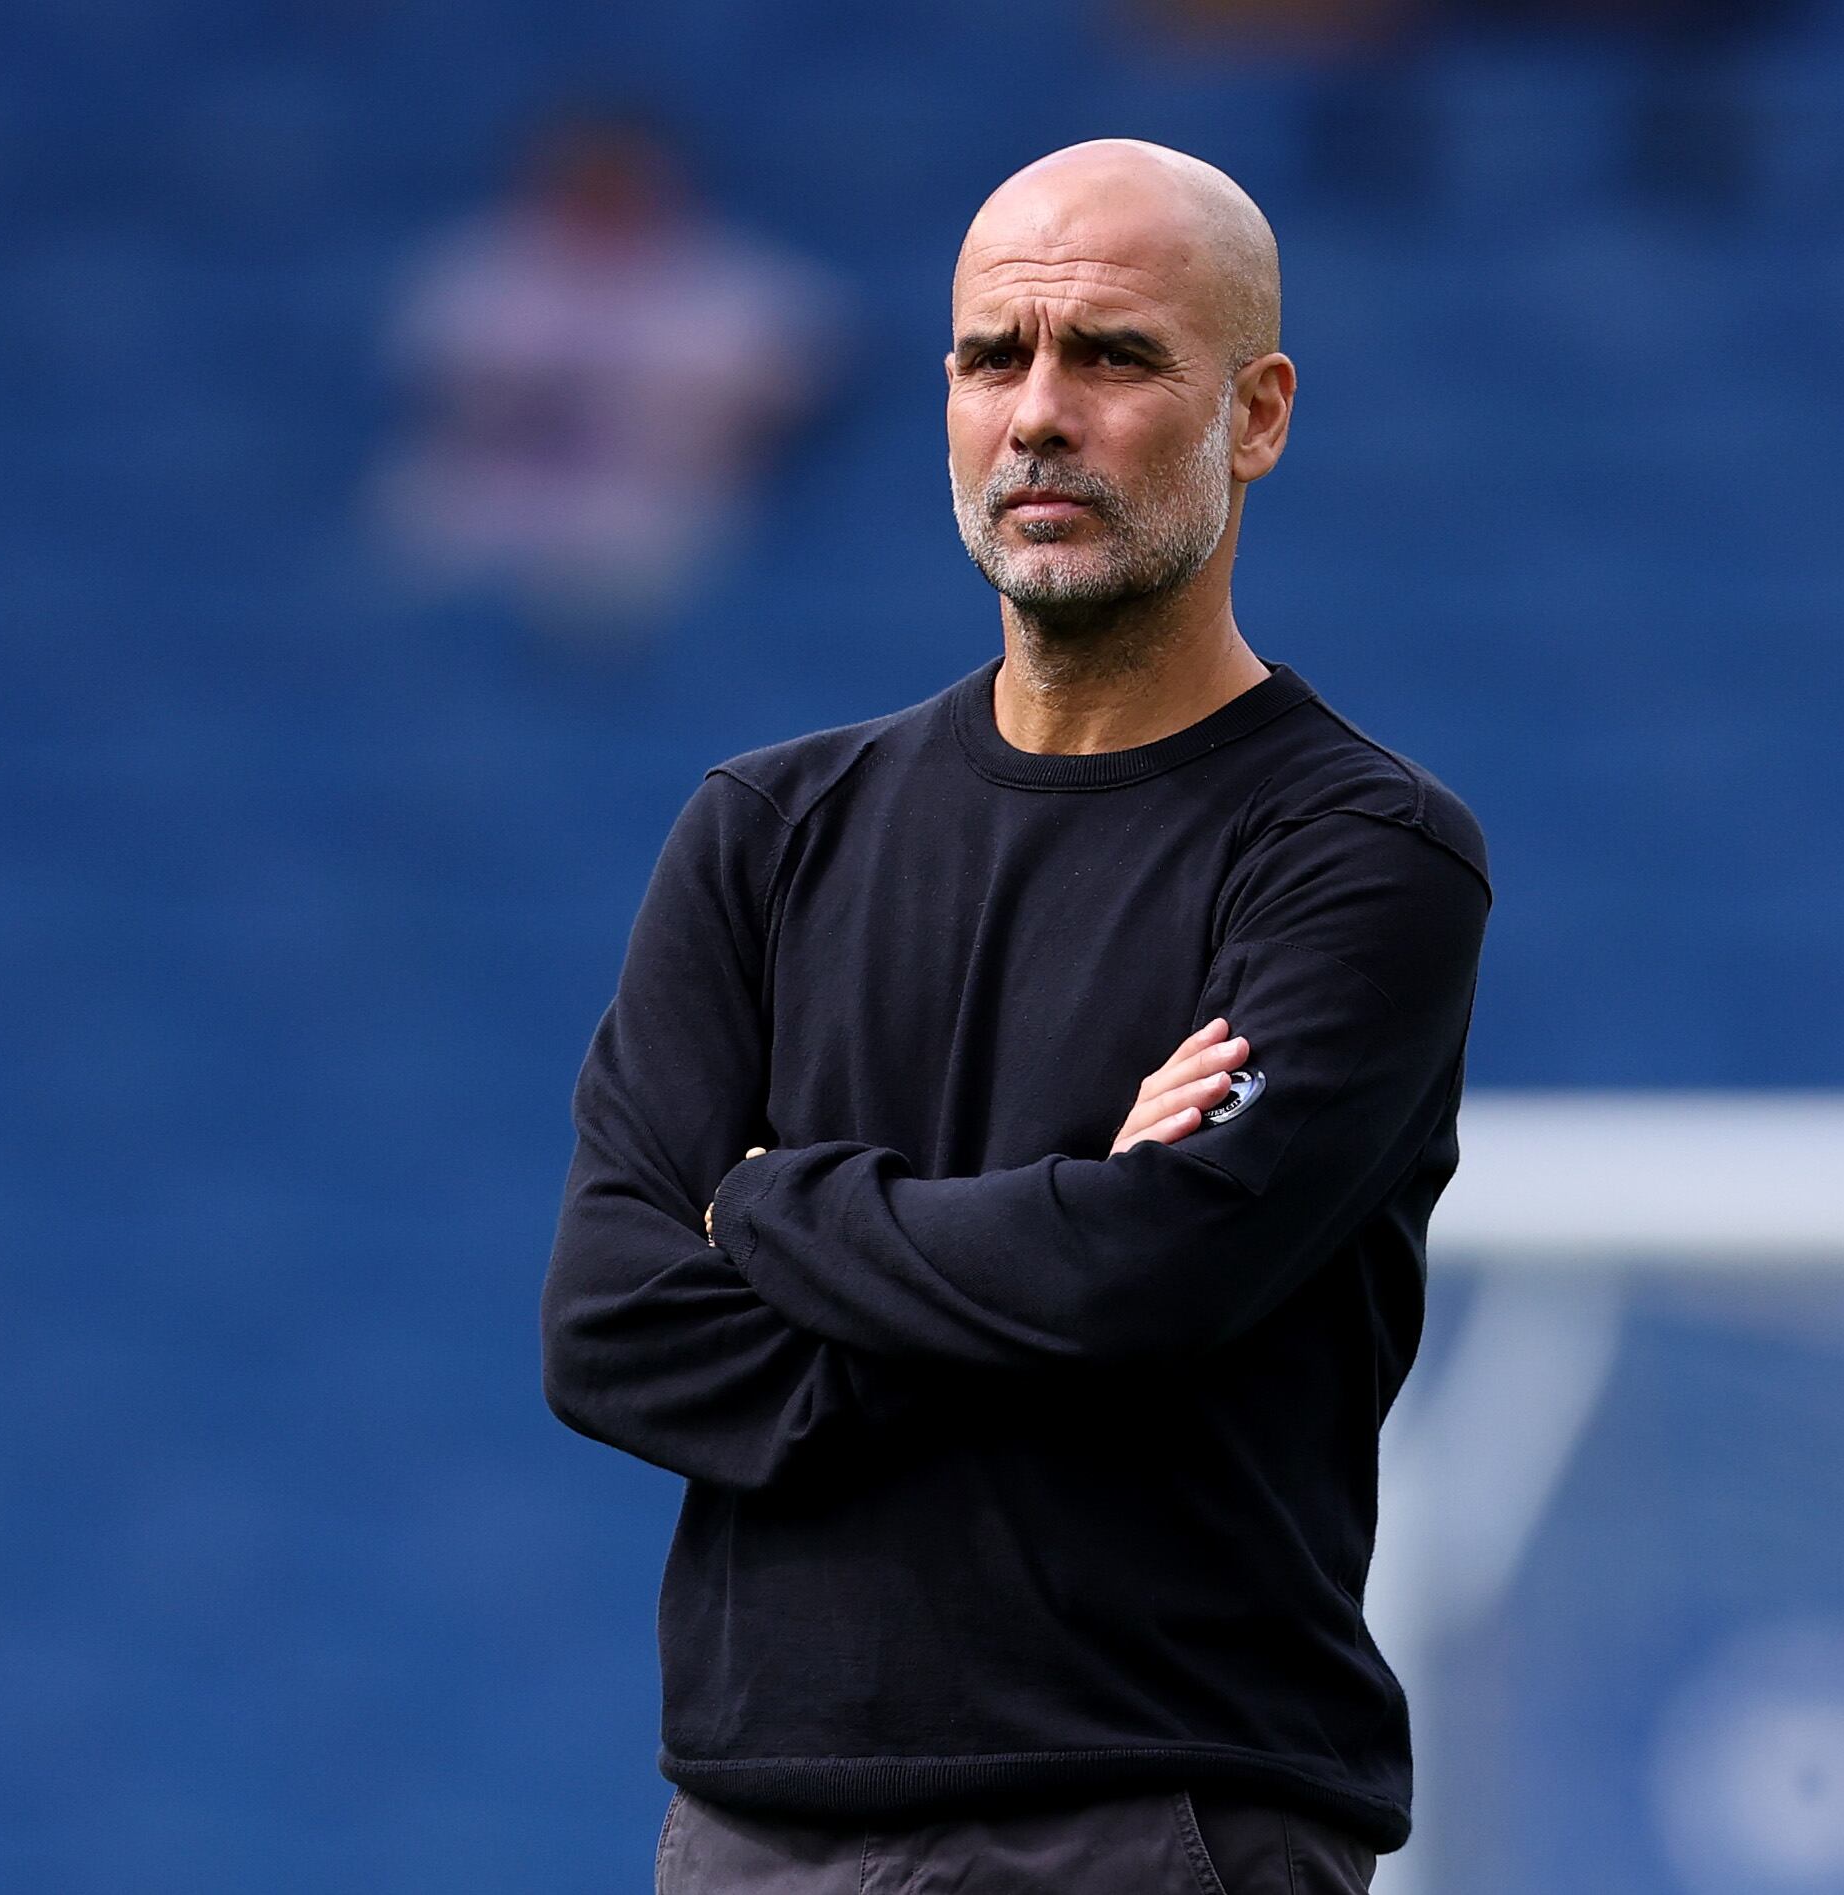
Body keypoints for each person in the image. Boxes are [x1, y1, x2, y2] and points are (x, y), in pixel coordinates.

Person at [541, 138, 1491, 1892]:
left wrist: (771, 1207)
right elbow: (610, 1327)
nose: (1039, 412)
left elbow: (1147, 1277)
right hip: (755, 1825)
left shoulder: (1355, 853)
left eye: (1112, 356)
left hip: (1153, 1814)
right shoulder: (763, 831)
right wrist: (1050, 1235)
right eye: (994, 357)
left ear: (1256, 414)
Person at [372, 110, 842, 647]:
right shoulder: (471, 276)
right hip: (491, 494)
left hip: (662, 504)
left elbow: (787, 418)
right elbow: (432, 400)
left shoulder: (742, 293)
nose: (603, 197)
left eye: (620, 182)